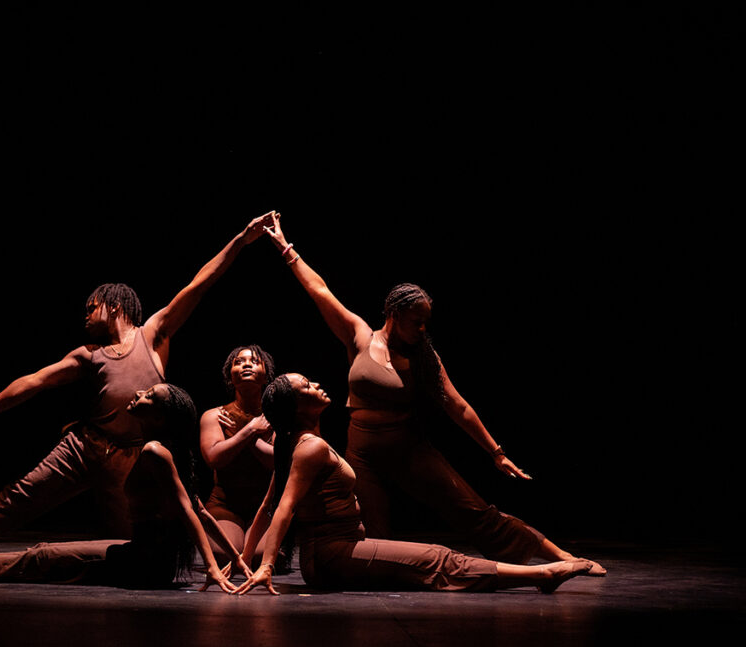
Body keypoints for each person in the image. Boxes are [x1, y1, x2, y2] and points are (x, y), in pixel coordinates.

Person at [0, 213, 274, 554]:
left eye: (90, 308)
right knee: (17, 498)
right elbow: (32, 382)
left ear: (113, 305)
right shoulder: (88, 354)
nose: (85, 316)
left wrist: (240, 240)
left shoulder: (154, 335)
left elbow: (199, 284)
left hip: (130, 457)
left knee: (133, 540)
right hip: (83, 447)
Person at [260, 213, 604, 574]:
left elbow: (457, 406)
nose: (422, 328)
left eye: (426, 321)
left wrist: (495, 452)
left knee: (472, 509)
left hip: (408, 447)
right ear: (393, 313)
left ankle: (558, 555)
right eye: (416, 321)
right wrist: (286, 248)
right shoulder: (360, 337)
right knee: (373, 532)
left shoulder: (424, 357)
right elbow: (320, 291)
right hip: (362, 451)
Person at [234, 374, 596, 595]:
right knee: (436, 559)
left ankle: (541, 573)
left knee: (430, 558)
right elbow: (283, 508)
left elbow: (268, 506)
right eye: (307, 387)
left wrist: (242, 561)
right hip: (332, 556)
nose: (317, 385)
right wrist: (264, 566)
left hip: (334, 553)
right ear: (298, 408)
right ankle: (543, 574)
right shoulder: (309, 447)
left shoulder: (292, 444)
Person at [0, 384, 249, 591]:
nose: (140, 391)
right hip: (145, 557)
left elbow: (189, 511)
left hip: (145, 564)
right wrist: (235, 559)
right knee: (45, 553)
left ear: (158, 417)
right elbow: (199, 508)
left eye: (150, 394)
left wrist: (217, 570)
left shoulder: (155, 451)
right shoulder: (156, 450)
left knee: (43, 556)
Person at [198, 345, 282, 567]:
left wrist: (244, 435)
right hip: (224, 504)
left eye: (254, 361)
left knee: (256, 558)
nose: (246, 364)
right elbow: (214, 458)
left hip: (265, 506)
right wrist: (249, 431)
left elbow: (277, 462)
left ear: (267, 375)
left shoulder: (278, 418)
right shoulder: (214, 416)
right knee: (226, 556)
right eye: (239, 361)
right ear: (229, 376)